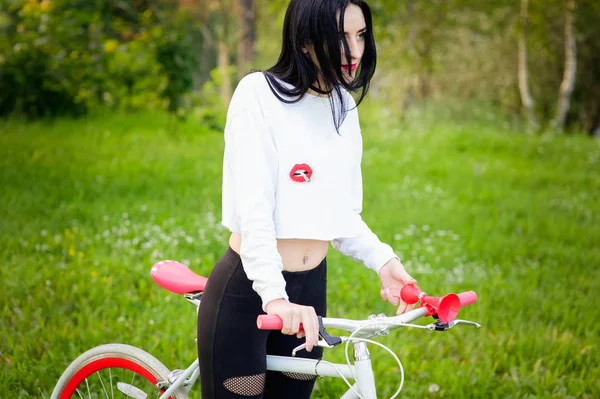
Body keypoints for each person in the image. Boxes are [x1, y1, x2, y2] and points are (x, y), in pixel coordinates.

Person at [197, 0, 416, 397]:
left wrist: (385, 262)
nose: (354, 51)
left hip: (311, 293)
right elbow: (254, 213)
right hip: (251, 290)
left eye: (360, 35)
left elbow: (342, 214)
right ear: (304, 40)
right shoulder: (258, 94)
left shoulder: (343, 106)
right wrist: (275, 298)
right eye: (340, 37)